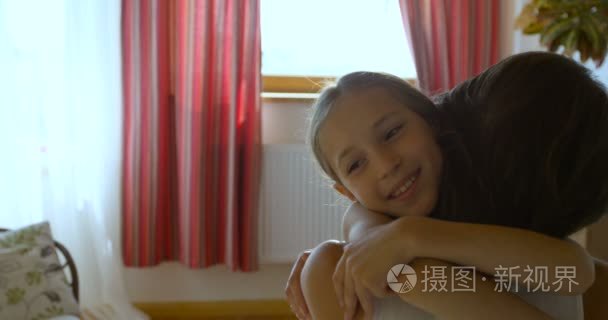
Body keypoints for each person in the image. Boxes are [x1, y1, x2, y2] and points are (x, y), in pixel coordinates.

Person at [285, 52, 608, 319]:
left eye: (392, 132)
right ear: (344, 191)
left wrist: (410, 239)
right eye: (356, 165)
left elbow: (577, 271)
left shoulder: (531, 252)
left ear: (432, 120)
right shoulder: (348, 264)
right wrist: (394, 247)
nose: (386, 165)